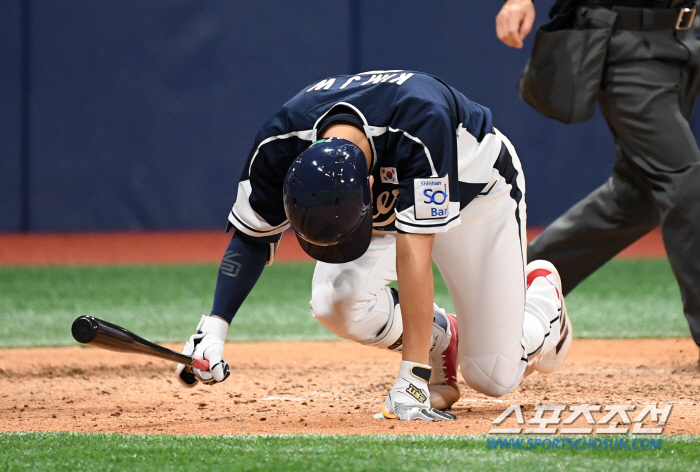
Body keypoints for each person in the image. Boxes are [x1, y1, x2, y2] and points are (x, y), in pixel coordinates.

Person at [174, 70, 572, 421]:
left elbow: (414, 256)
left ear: (369, 188)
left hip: (479, 197)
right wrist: (213, 328)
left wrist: (411, 379)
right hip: (396, 201)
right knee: (336, 300)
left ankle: (542, 303)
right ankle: (442, 339)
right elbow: (251, 236)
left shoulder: (420, 122)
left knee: (493, 376)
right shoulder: (280, 144)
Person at [497, 0, 700, 352]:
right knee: (686, 183)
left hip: (686, 35)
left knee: (637, 198)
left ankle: (510, 283)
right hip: (626, 40)